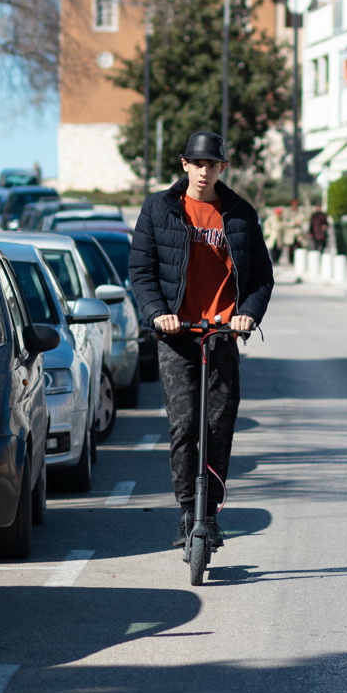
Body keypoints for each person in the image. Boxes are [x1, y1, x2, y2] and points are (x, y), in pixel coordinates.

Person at [129, 130, 274, 550]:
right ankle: (186, 512)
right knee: (183, 426)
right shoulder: (159, 209)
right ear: (185, 165)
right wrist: (158, 313)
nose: (205, 171)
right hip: (177, 336)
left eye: (212, 164)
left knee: (218, 427)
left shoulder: (241, 214)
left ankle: (208, 517)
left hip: (222, 335)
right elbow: (141, 270)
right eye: (198, 163)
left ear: (222, 168)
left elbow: (261, 277)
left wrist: (247, 313)